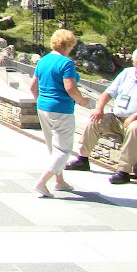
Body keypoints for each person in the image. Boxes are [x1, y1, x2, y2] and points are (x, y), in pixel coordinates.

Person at [65, 48, 137, 184]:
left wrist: (136, 115)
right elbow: (108, 93)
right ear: (133, 62)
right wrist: (99, 109)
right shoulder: (126, 73)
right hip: (117, 117)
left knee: (134, 129)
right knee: (94, 121)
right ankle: (82, 159)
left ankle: (124, 171)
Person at [29, 29, 90, 197]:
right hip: (61, 110)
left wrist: (42, 101)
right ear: (68, 45)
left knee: (52, 147)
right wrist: (83, 101)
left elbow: (33, 87)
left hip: (43, 108)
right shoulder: (66, 63)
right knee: (63, 150)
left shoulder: (43, 61)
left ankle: (59, 181)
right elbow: (70, 88)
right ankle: (42, 183)